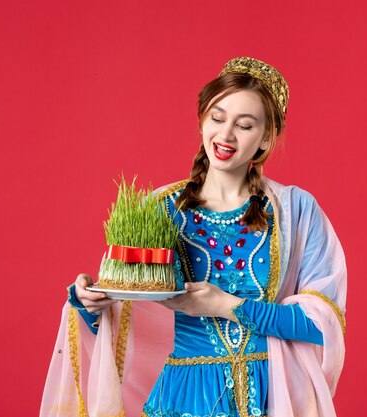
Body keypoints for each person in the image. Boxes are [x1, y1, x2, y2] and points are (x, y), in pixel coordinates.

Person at [41, 57, 347, 417]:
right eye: (217, 118)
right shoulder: (163, 210)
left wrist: (225, 305)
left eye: (245, 125)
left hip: (271, 395)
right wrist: (87, 303)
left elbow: (319, 326)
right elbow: (120, 308)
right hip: (186, 396)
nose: (226, 135)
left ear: (266, 138)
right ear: (203, 118)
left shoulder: (294, 210)